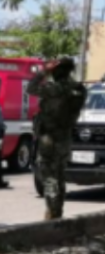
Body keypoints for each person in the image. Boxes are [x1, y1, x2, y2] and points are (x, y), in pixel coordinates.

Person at [28, 58, 87, 220]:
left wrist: (43, 72)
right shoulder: (79, 89)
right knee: (59, 175)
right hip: (65, 138)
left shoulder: (53, 89)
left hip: (50, 137)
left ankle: (52, 211)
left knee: (49, 177)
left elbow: (30, 88)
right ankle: (58, 210)